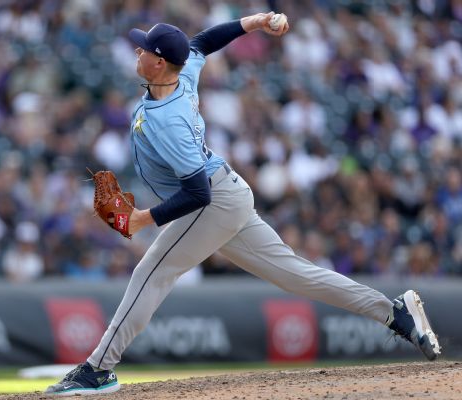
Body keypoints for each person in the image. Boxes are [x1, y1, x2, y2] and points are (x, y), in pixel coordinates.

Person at [45, 12, 441, 396]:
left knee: (151, 272)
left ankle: (97, 369)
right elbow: (201, 43)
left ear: (159, 62)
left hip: (212, 202)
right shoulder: (182, 75)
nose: (137, 53)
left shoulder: (170, 118)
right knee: (295, 274)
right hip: (227, 194)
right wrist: (254, 21)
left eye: (143, 50)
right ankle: (393, 313)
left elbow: (197, 193)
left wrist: (143, 218)